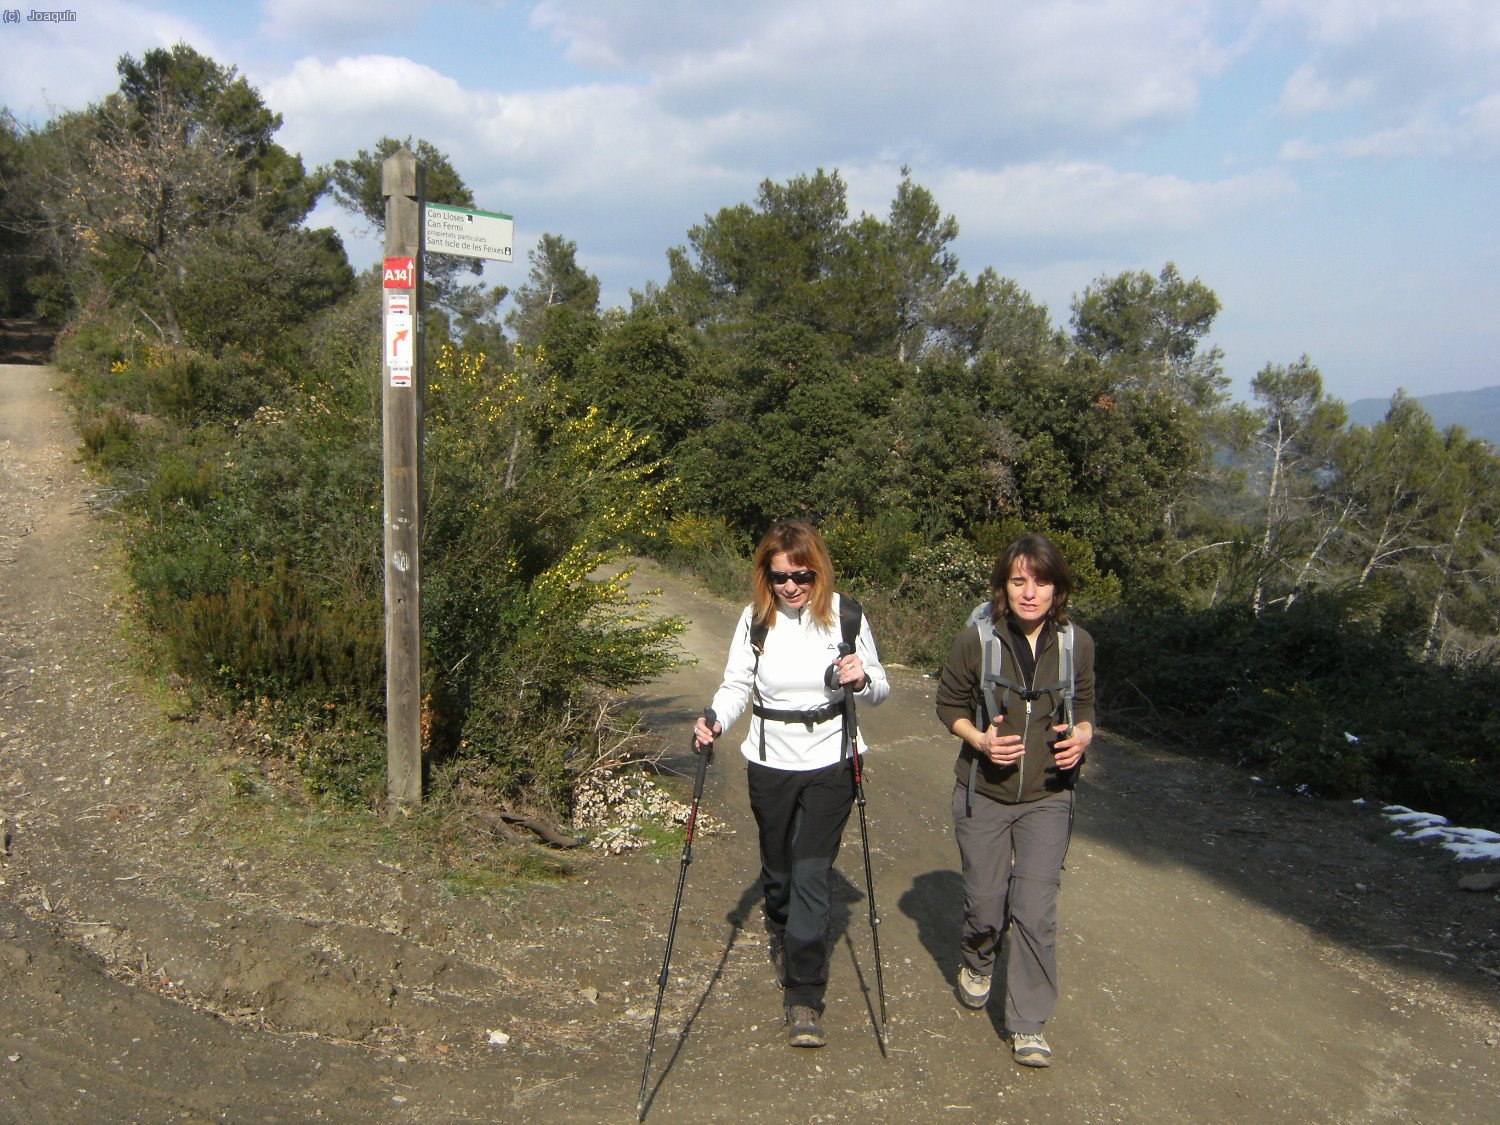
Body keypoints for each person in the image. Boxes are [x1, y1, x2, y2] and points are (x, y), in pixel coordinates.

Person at [694, 519, 889, 1048]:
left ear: (817, 570)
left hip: (832, 759)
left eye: (802, 575)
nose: (792, 587)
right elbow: (737, 684)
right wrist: (715, 719)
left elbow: (881, 688)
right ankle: (779, 922)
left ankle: (804, 996)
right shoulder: (756, 620)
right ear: (766, 575)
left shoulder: (846, 616)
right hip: (769, 760)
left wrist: (862, 678)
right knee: (777, 866)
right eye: (780, 576)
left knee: (810, 871)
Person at [934, 533, 1095, 1068]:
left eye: (1042, 581)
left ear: (1058, 588)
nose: (1031, 592)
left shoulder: (1077, 644)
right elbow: (949, 703)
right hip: (985, 793)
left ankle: (1028, 1024)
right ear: (1004, 586)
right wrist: (979, 740)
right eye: (1019, 580)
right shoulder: (975, 641)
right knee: (985, 901)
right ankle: (979, 959)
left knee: (1034, 909)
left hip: (1049, 796)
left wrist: (1085, 734)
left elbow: (1086, 702)